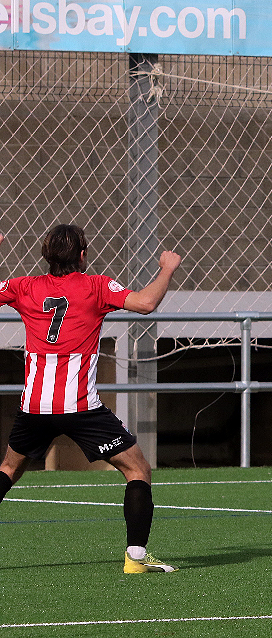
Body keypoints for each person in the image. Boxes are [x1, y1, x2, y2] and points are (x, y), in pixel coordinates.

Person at [0, 224, 181, 573]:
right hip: (81, 407)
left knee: (8, 469)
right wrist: (167, 267)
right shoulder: (96, 285)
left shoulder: (24, 286)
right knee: (137, 469)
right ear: (83, 255)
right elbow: (146, 303)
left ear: (45, 255)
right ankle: (136, 559)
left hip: (34, 406)